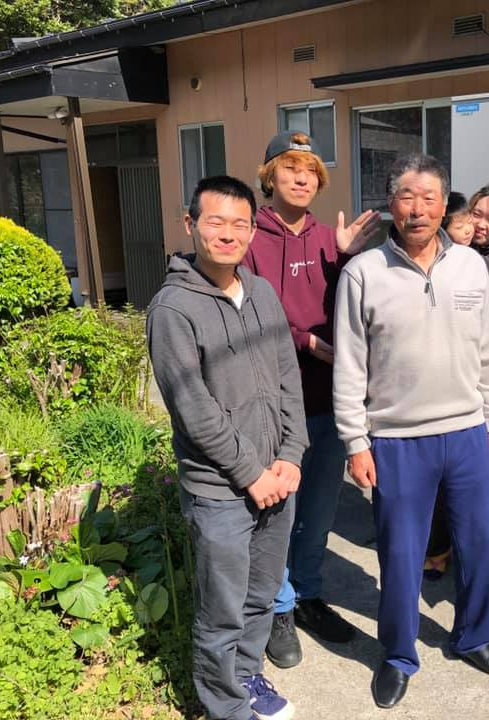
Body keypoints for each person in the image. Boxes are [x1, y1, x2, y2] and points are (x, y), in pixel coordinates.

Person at [334, 153, 489, 710]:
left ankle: (475, 637)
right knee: (400, 556)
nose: (417, 209)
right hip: (395, 439)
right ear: (390, 204)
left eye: (429, 198)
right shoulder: (363, 273)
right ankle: (397, 656)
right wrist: (355, 442)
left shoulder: (470, 267)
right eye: (406, 197)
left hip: (467, 432)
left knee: (481, 545)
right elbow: (349, 366)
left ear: (444, 206)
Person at [147, 176, 307, 720]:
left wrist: (292, 452)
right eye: (215, 221)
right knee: (221, 610)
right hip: (220, 489)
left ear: (252, 231)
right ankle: (225, 708)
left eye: (240, 224)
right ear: (191, 224)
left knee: (260, 593)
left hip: (276, 477)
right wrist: (250, 473)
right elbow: (192, 407)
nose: (228, 234)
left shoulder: (261, 292)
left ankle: (246, 678)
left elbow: (287, 377)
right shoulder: (173, 309)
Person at [242, 131, 380, 668]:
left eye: (310, 171)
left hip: (328, 396)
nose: (301, 178)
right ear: (270, 175)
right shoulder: (250, 237)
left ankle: (308, 594)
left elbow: (350, 306)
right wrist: (307, 342)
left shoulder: (329, 238)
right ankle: (277, 607)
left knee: (320, 506)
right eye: (290, 168)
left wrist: (345, 259)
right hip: (275, 401)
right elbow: (251, 313)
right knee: (280, 507)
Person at [423, 183, 489, 579]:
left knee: (479, 477)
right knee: (438, 474)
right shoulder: (444, 257)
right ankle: (438, 548)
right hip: (438, 381)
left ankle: (476, 554)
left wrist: (457, 341)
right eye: (476, 215)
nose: (481, 225)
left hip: (481, 383)